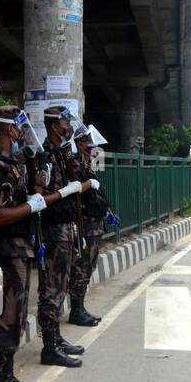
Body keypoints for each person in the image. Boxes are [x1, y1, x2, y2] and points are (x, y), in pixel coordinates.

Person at [0, 106, 54, 382]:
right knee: (1, 320)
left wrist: (37, 183)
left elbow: (22, 199)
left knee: (16, 318)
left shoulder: (12, 164)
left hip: (18, 251)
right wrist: (30, 208)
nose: (23, 133)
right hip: (2, 255)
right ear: (9, 130)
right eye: (19, 128)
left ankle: (6, 379)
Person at [36, 105, 88, 364]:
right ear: (54, 125)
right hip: (53, 230)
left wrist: (69, 155)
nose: (69, 126)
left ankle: (55, 339)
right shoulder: (44, 155)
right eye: (65, 122)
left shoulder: (60, 153)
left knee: (61, 286)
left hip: (68, 228)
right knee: (51, 288)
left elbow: (80, 177)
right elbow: (39, 195)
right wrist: (66, 192)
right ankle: (49, 346)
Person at [68, 122, 110, 327]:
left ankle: (80, 307)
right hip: (84, 222)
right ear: (77, 143)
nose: (90, 146)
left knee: (90, 264)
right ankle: (76, 310)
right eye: (85, 142)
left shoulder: (87, 161)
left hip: (94, 222)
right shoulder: (73, 162)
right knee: (82, 266)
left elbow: (96, 186)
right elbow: (74, 189)